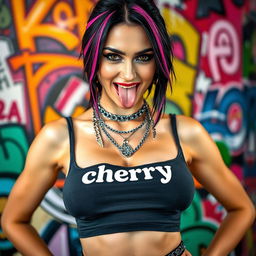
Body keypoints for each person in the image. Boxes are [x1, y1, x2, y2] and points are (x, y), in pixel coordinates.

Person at [1, 0, 255, 255]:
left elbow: (242, 209)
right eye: (113, 57)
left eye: (143, 58)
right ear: (94, 59)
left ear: (157, 63)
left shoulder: (186, 133)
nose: (128, 74)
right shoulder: (59, 138)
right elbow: (14, 220)